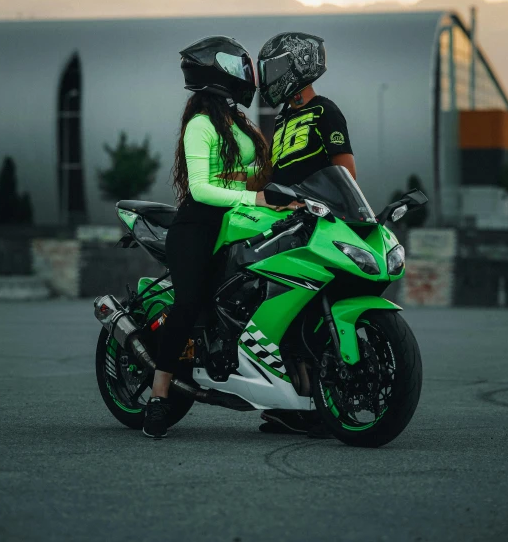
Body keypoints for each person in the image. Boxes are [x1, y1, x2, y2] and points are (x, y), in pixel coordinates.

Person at [143, 35, 275, 438]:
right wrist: (254, 194)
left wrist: (279, 195)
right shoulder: (201, 124)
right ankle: (159, 394)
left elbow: (253, 175)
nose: (246, 74)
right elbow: (200, 189)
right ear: (221, 72)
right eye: (239, 67)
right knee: (187, 304)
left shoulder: (238, 122)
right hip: (198, 225)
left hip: (239, 222)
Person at [256, 31, 356, 436]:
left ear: (299, 64)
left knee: (309, 310)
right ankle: (293, 402)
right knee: (280, 310)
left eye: (275, 68)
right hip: (283, 225)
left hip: (316, 225)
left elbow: (346, 173)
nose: (269, 78)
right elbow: (274, 177)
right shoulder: (281, 120)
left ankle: (313, 402)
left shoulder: (325, 111)